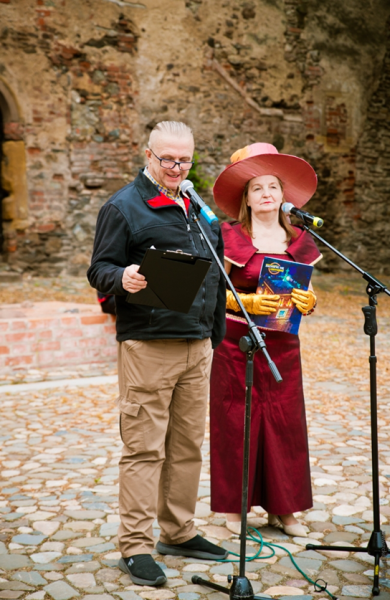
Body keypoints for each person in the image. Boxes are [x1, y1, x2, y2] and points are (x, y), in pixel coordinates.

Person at [87, 121, 227, 587]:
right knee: (144, 449)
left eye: (184, 160)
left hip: (196, 343)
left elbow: (215, 274)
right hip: (148, 344)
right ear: (148, 154)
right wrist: (120, 277)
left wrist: (214, 334)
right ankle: (136, 547)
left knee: (186, 447)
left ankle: (179, 531)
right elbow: (99, 269)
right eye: (167, 159)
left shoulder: (197, 208)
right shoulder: (123, 207)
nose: (175, 168)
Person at [210, 143, 322, 537]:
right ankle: (234, 508)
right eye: (257, 188)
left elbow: (304, 293)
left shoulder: (301, 241)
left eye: (273, 187)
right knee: (234, 424)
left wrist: (309, 302)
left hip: (283, 345)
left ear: (283, 195)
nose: (266, 195)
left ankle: (285, 508)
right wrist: (245, 301)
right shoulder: (228, 237)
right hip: (236, 344)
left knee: (284, 424)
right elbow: (208, 292)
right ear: (246, 198)